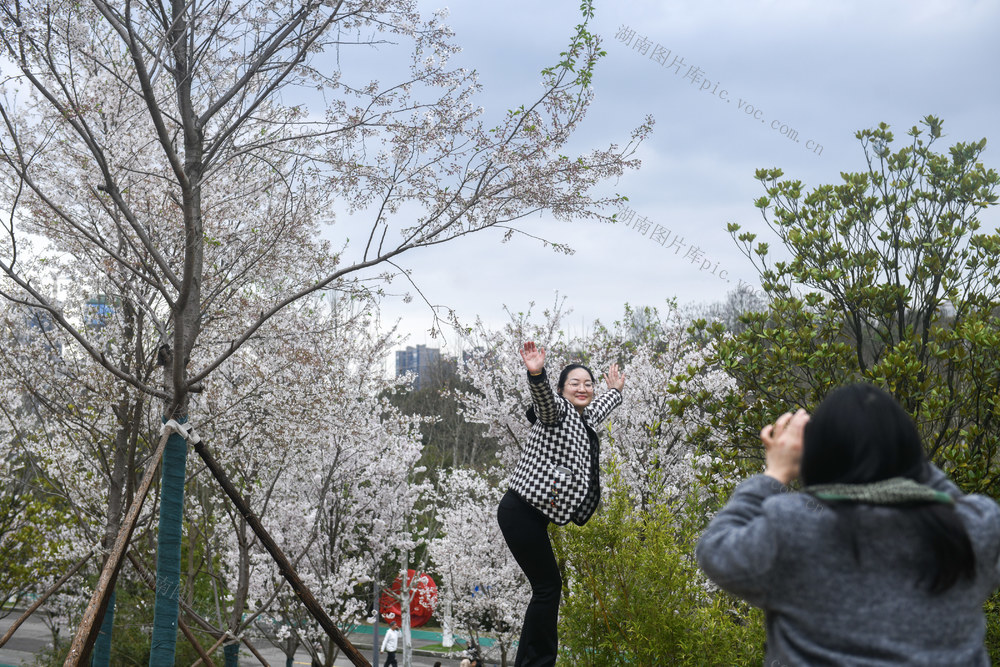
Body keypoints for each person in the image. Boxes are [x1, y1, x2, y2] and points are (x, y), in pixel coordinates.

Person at [696, 383, 1000, 665]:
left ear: (818, 459)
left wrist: (774, 473)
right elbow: (948, 502)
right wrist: (893, 449)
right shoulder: (974, 528)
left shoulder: (793, 530)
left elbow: (716, 549)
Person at [497, 341, 625, 667]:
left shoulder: (582, 418)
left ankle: (531, 661)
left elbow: (597, 409)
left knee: (547, 587)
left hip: (531, 517)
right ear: (561, 389)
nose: (583, 388)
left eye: (588, 384)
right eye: (574, 383)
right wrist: (536, 373)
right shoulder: (557, 413)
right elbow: (545, 403)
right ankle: (538, 662)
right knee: (548, 586)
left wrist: (614, 390)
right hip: (521, 511)